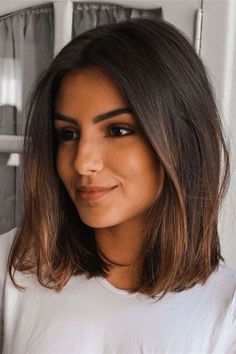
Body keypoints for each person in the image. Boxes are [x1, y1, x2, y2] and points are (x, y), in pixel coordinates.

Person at [0, 18, 235, 354]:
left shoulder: (226, 314)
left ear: (182, 139)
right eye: (68, 134)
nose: (82, 162)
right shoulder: (12, 269)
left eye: (118, 131)